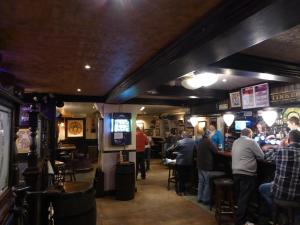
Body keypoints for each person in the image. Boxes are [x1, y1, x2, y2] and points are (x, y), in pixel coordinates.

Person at [259, 130, 300, 215]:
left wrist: (278, 146)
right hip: (298, 196)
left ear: (288, 140)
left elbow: (265, 157)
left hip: (280, 193)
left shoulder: (281, 151)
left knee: (262, 188)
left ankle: (277, 213)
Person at [232, 128, 264, 225]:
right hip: (247, 173)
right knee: (245, 198)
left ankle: (246, 219)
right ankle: (241, 221)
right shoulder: (252, 141)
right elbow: (261, 156)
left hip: (235, 172)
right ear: (250, 135)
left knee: (241, 197)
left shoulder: (235, 141)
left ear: (241, 134)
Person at [169, 131, 195, 195]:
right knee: (187, 177)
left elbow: (173, 149)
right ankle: (187, 191)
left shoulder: (180, 142)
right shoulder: (193, 141)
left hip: (181, 162)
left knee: (181, 177)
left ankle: (181, 191)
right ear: (188, 135)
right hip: (189, 161)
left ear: (182, 136)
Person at [196, 132, 218, 204]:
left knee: (201, 182)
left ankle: (199, 198)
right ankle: (205, 199)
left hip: (199, 164)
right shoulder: (208, 141)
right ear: (209, 135)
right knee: (207, 183)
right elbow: (215, 151)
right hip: (206, 165)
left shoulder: (199, 141)